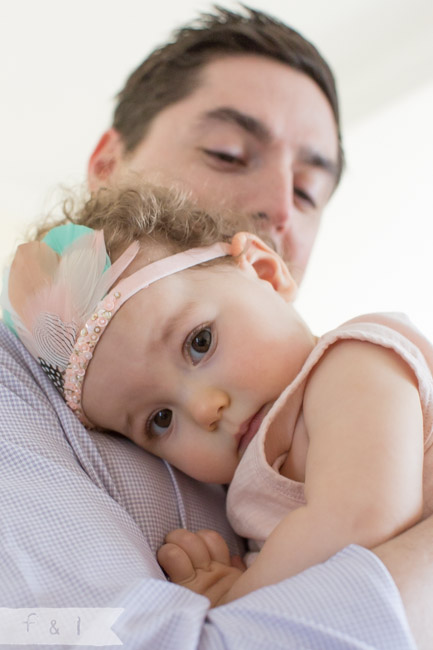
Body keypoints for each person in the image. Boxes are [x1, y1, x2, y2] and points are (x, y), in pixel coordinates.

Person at [0, 5, 431, 649]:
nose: (279, 208)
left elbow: (360, 519)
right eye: (229, 154)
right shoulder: (34, 384)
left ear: (262, 268)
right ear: (108, 163)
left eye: (310, 191)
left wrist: (241, 592)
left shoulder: (354, 363)